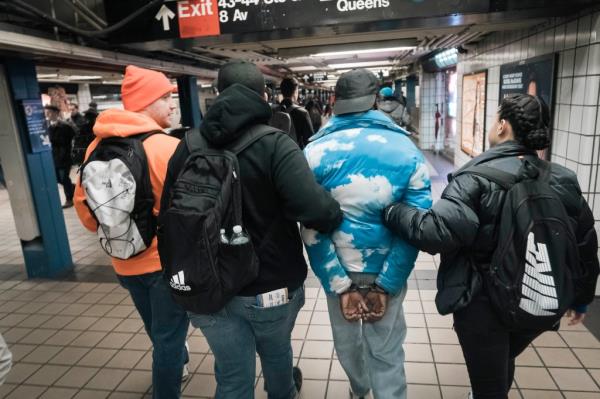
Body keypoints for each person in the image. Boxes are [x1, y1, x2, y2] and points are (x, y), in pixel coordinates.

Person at [383, 94, 600, 399]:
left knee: (489, 381)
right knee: (501, 360)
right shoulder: (563, 179)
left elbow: (436, 232)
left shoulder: (475, 178)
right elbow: (585, 244)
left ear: (502, 125)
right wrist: (581, 299)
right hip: (538, 297)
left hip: (484, 304)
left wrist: (393, 212)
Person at [161, 60, 343, 399]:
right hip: (269, 287)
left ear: (216, 94)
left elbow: (169, 220)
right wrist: (334, 213)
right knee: (276, 357)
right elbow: (315, 210)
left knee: (231, 377)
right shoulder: (276, 143)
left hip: (207, 287)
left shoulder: (187, 146)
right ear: (263, 94)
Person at [302, 69, 433, 399]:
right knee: (387, 353)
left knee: (347, 347)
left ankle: (358, 391)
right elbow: (416, 226)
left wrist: (339, 284)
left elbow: (311, 227)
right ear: (376, 100)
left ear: (335, 102)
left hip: (339, 267)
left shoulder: (313, 153)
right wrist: (388, 283)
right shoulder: (406, 150)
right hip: (388, 265)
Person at [74, 65, 189, 399]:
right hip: (163, 264)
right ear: (147, 102)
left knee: (157, 328)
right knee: (168, 338)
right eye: (166, 97)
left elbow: (87, 215)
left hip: (122, 260)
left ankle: (177, 362)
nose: (171, 105)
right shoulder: (165, 148)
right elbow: (190, 215)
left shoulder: (95, 147)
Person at [45, 104, 76, 208]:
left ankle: (69, 199)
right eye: (46, 112)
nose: (47, 114)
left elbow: (69, 139)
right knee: (57, 178)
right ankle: (73, 188)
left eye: (49, 112)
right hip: (54, 157)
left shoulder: (65, 126)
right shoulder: (49, 127)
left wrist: (51, 141)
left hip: (64, 156)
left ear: (56, 113)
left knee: (64, 177)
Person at [277, 77, 314, 148]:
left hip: (277, 154)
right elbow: (309, 140)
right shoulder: (302, 113)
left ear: (282, 92)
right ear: (295, 92)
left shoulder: (273, 111)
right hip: (295, 154)